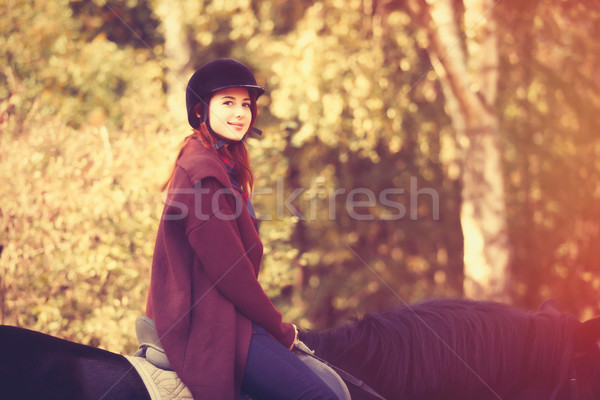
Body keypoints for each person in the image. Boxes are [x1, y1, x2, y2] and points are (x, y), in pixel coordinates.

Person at [146, 58, 338, 400]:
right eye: (228, 103)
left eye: (246, 104)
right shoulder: (202, 172)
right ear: (201, 111)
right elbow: (231, 272)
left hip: (230, 317)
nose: (240, 113)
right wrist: (282, 330)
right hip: (210, 324)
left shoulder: (223, 166)